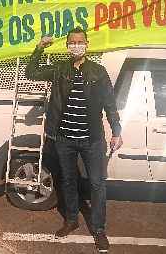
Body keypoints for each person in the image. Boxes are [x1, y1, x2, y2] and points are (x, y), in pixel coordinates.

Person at [25, 27, 123, 253]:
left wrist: (116, 130)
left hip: (93, 139)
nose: (76, 45)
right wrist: (39, 48)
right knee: (68, 181)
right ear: (67, 45)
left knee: (97, 184)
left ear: (87, 44)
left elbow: (109, 103)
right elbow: (32, 72)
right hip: (64, 139)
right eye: (72, 42)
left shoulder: (98, 71)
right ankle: (71, 220)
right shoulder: (59, 69)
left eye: (80, 41)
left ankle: (98, 230)